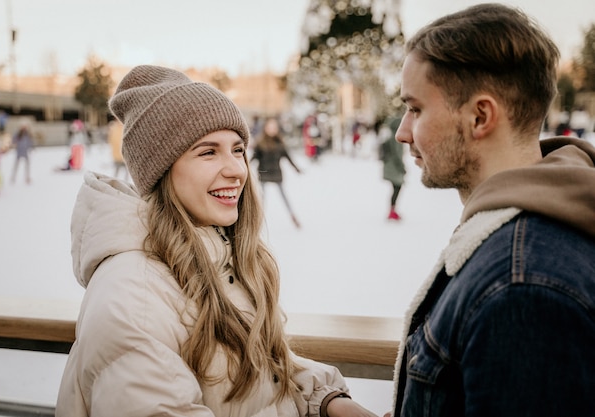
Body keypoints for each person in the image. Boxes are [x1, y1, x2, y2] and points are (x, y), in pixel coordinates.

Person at [56, 65, 376, 417]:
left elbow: (256, 373)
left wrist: (326, 402)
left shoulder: (217, 256)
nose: (237, 169)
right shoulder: (134, 297)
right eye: (208, 152)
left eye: (237, 150)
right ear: (160, 171)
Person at [387, 4, 595, 417]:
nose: (402, 132)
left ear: (480, 116)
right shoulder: (520, 242)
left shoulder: (523, 289)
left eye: (415, 109)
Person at [251, 116, 302, 228]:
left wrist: (296, 168)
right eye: (270, 127)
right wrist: (245, 167)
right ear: (265, 128)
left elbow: (288, 157)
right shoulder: (260, 143)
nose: (272, 129)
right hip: (264, 173)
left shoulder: (279, 143)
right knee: (261, 198)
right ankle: (257, 220)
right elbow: (254, 157)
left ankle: (293, 216)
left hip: (276, 174)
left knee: (284, 196)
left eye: (274, 127)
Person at [377, 117, 406, 221]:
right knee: (397, 188)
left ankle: (392, 210)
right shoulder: (397, 139)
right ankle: (392, 211)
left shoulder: (389, 137)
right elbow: (397, 155)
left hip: (389, 166)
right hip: (394, 167)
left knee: (395, 188)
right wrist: (402, 167)